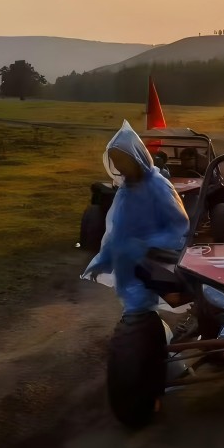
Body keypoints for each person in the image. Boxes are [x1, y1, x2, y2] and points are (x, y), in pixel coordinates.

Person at [81, 121, 190, 317]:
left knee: (139, 317)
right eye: (115, 161)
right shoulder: (125, 190)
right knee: (134, 313)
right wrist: (103, 260)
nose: (119, 167)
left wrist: (146, 245)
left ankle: (142, 338)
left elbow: (179, 225)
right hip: (128, 265)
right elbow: (117, 229)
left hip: (150, 264)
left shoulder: (158, 186)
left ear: (135, 157)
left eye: (122, 160)